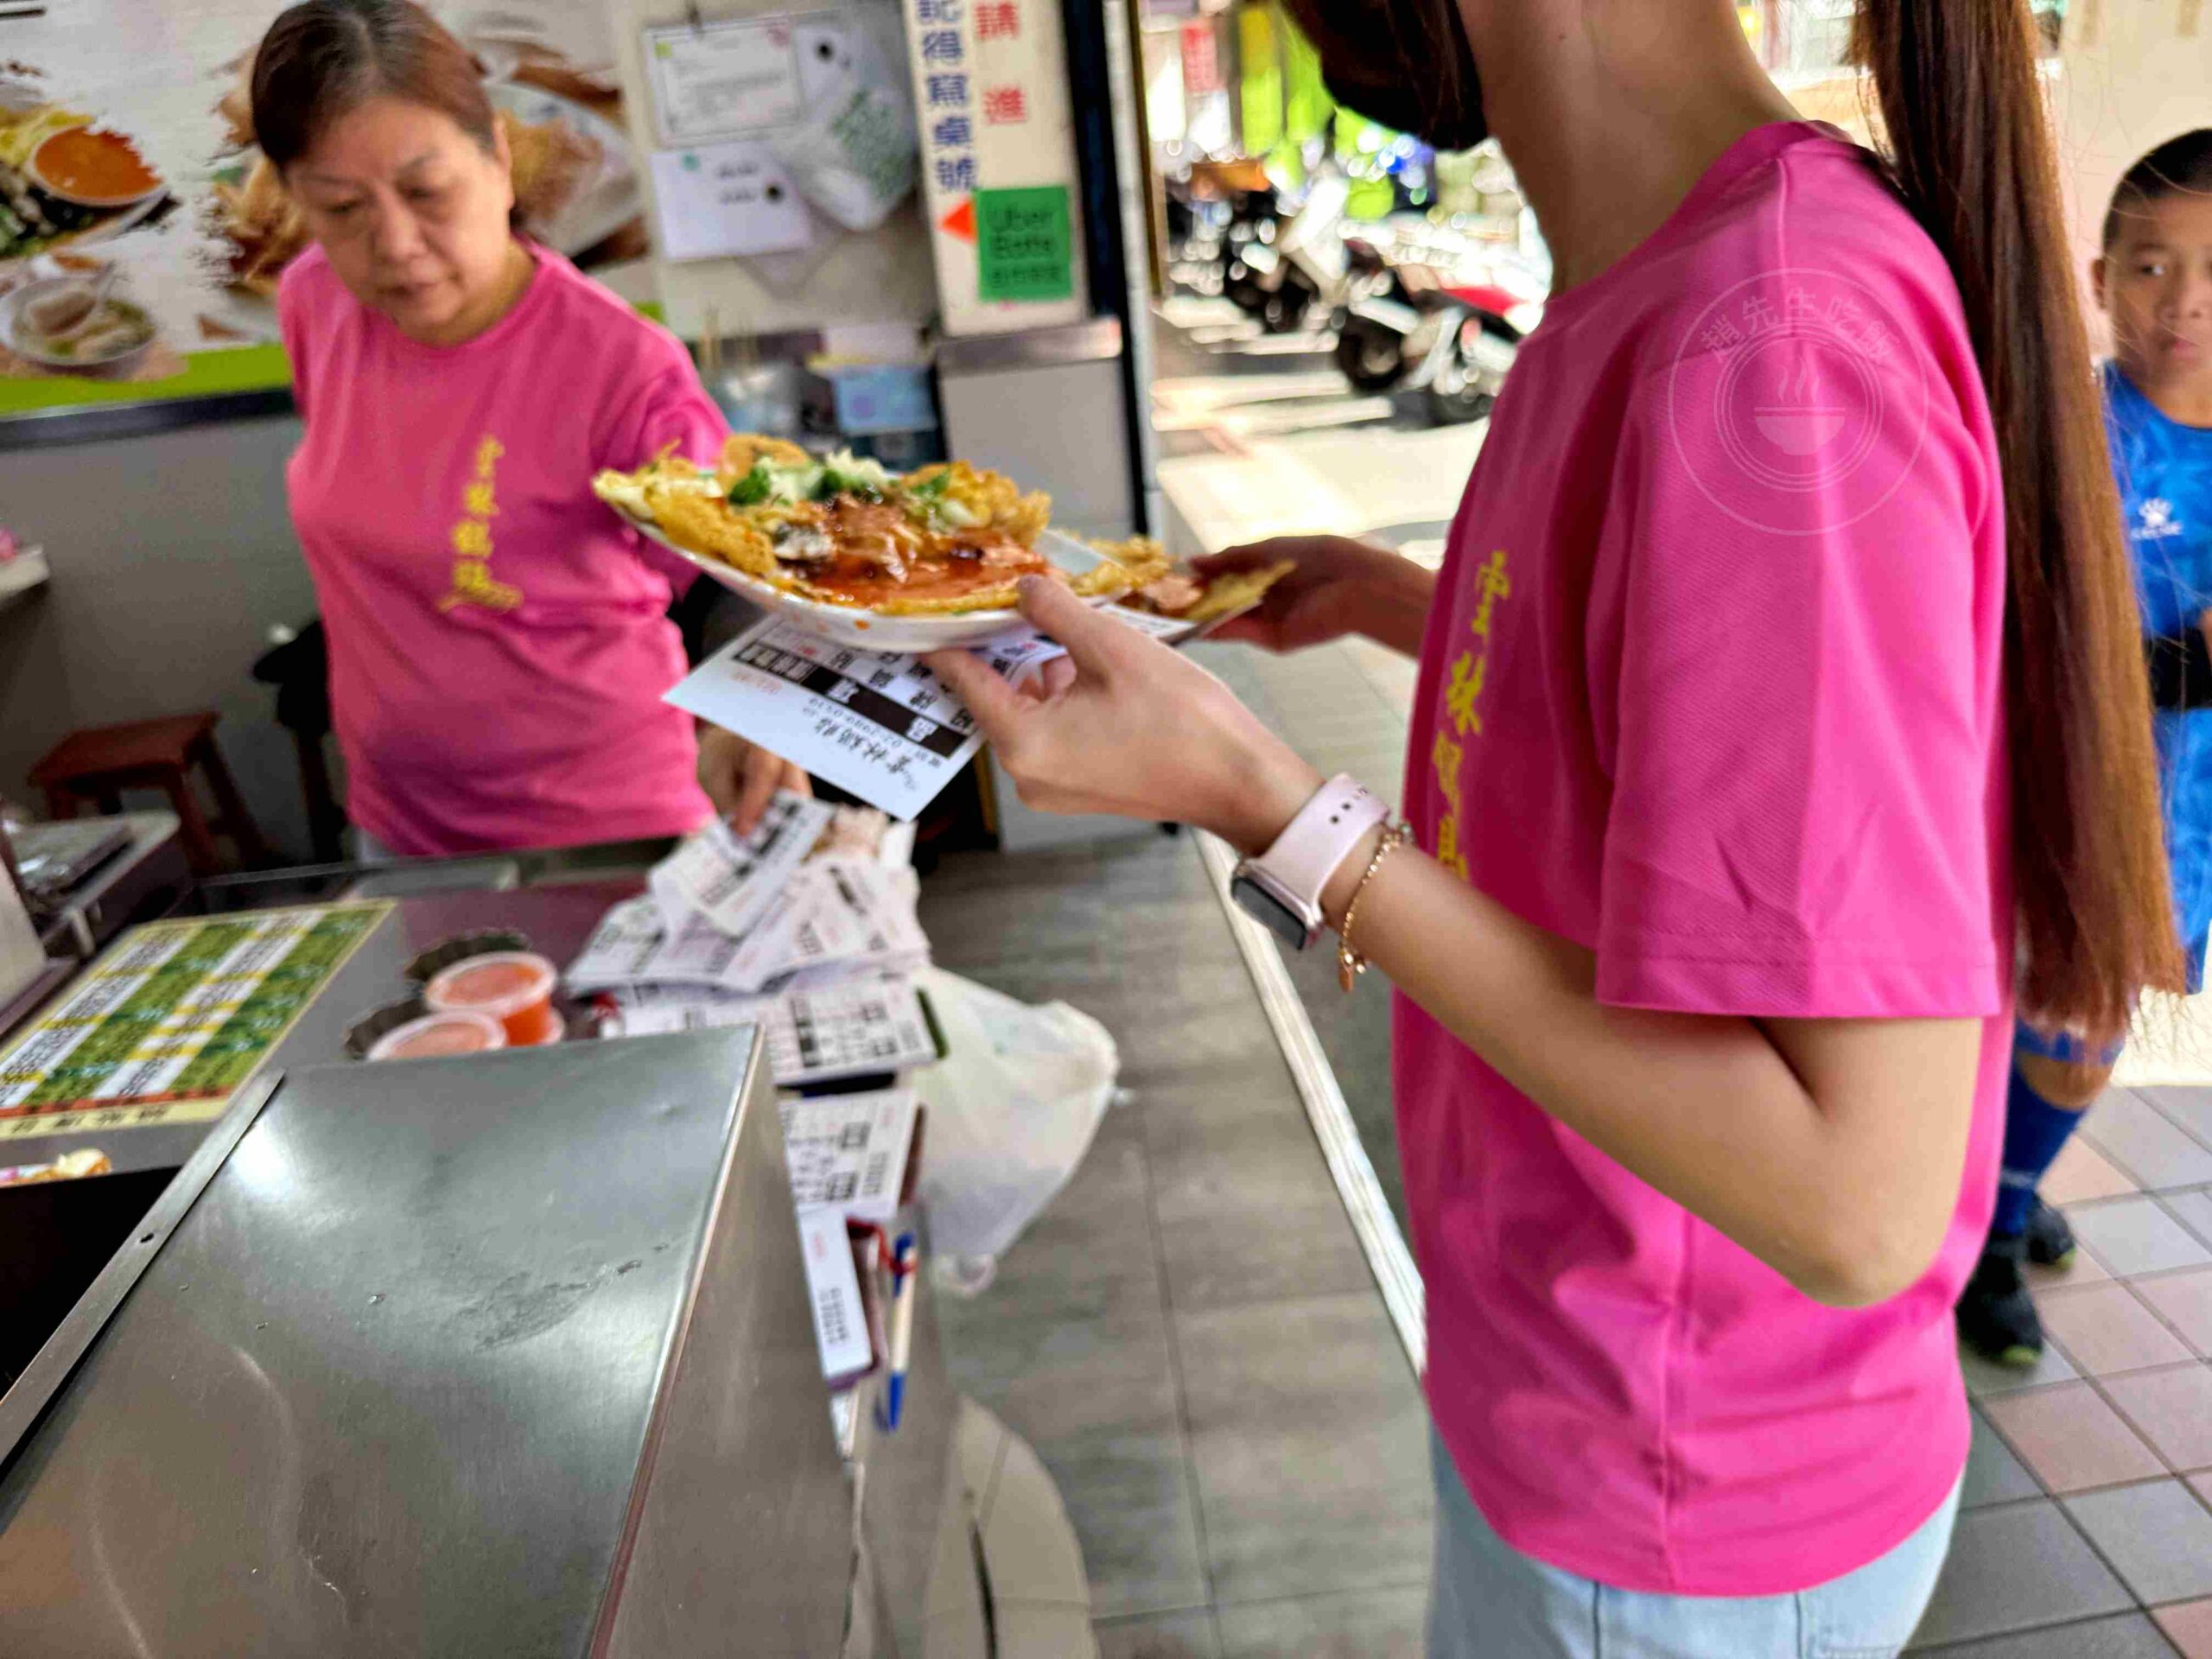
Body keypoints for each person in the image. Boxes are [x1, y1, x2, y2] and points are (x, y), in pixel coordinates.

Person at [924, 0, 2181, 1649]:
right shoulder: (1666, 275)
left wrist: (1261, 801)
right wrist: (1400, 605)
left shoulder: (1769, 339)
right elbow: (1689, 714)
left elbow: (1851, 1197)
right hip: (1582, 1401)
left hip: (1680, 1491)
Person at [254, 0, 801, 859]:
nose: (393, 242)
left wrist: (759, 713)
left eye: (426, 192)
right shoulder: (313, 303)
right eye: (340, 206)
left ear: (500, 161)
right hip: (397, 826)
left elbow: (733, 570)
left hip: (614, 829)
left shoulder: (620, 364)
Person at [1957, 129, 2212, 1367]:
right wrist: (2184, 666)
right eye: (2152, 267)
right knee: (2061, 1021)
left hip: (2188, 816)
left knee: (2086, 1031)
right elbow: (2023, 631)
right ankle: (1985, 1235)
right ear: (2100, 278)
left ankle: (2004, 1182)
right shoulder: (2063, 439)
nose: (2186, 305)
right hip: (2059, 802)